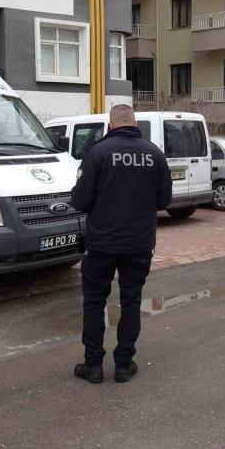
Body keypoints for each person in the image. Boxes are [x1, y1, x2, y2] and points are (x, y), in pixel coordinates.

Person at [71, 104, 173, 384]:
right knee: (131, 302)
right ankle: (124, 365)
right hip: (139, 243)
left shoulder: (97, 153)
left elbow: (81, 201)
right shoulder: (155, 154)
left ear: (111, 125)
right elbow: (164, 200)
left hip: (100, 244)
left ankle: (93, 365)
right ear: (135, 123)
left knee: (94, 302)